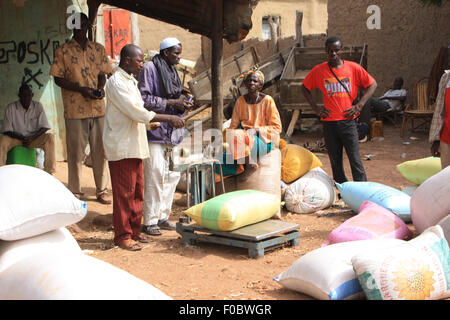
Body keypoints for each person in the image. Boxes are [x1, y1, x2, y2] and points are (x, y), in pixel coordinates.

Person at [104, 44, 185, 251]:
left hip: (135, 143)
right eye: (139, 60)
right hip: (122, 145)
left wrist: (151, 122)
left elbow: (139, 111)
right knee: (124, 193)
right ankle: (122, 236)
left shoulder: (130, 81)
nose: (142, 64)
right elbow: (136, 112)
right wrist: (168, 118)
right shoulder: (116, 82)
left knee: (137, 191)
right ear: (127, 60)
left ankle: (134, 231)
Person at [49, 12, 113, 204]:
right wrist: (79, 89)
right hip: (75, 108)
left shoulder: (98, 49)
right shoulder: (63, 51)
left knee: (100, 150)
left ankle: (102, 190)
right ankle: (75, 189)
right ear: (72, 26)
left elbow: (103, 72)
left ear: (88, 26)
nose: (81, 27)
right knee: (76, 151)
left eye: (84, 24)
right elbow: (58, 78)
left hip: (98, 107)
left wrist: (100, 89)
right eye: (78, 24)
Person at [301, 36, 377, 183]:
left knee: (355, 160)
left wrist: (359, 105)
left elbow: (372, 85)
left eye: (336, 50)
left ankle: (361, 191)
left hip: (348, 122)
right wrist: (316, 109)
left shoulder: (353, 68)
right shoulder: (319, 70)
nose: (333, 54)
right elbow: (304, 88)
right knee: (335, 162)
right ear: (326, 51)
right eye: (330, 51)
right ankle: (343, 191)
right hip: (329, 123)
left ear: (342, 50)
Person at [137, 37, 192, 236]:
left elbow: (175, 99)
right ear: (165, 53)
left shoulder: (172, 71)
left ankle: (162, 216)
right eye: (176, 53)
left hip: (172, 133)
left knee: (172, 176)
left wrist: (182, 104)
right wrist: (171, 103)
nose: (179, 57)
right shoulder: (150, 69)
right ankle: (150, 220)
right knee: (154, 175)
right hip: (155, 131)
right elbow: (143, 100)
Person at [220, 69, 282, 179]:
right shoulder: (240, 101)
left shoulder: (268, 101)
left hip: (262, 140)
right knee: (221, 162)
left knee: (238, 136)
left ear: (260, 86)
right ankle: (239, 165)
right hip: (242, 138)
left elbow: (277, 127)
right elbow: (233, 126)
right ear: (245, 84)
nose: (251, 83)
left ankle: (250, 165)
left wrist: (256, 130)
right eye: (249, 81)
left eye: (255, 81)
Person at [0, 84, 55, 174]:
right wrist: (21, 137)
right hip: (16, 139)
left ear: (32, 95)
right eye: (24, 95)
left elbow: (44, 127)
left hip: (33, 139)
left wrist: (32, 138)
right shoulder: (11, 108)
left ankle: (50, 171)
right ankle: (1, 170)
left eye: (29, 95)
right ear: (19, 96)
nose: (26, 98)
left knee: (50, 137)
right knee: (3, 140)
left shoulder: (38, 106)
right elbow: (7, 130)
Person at [429, 69, 450, 169]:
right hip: (446, 135)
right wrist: (435, 138)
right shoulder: (446, 78)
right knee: (446, 175)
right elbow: (439, 110)